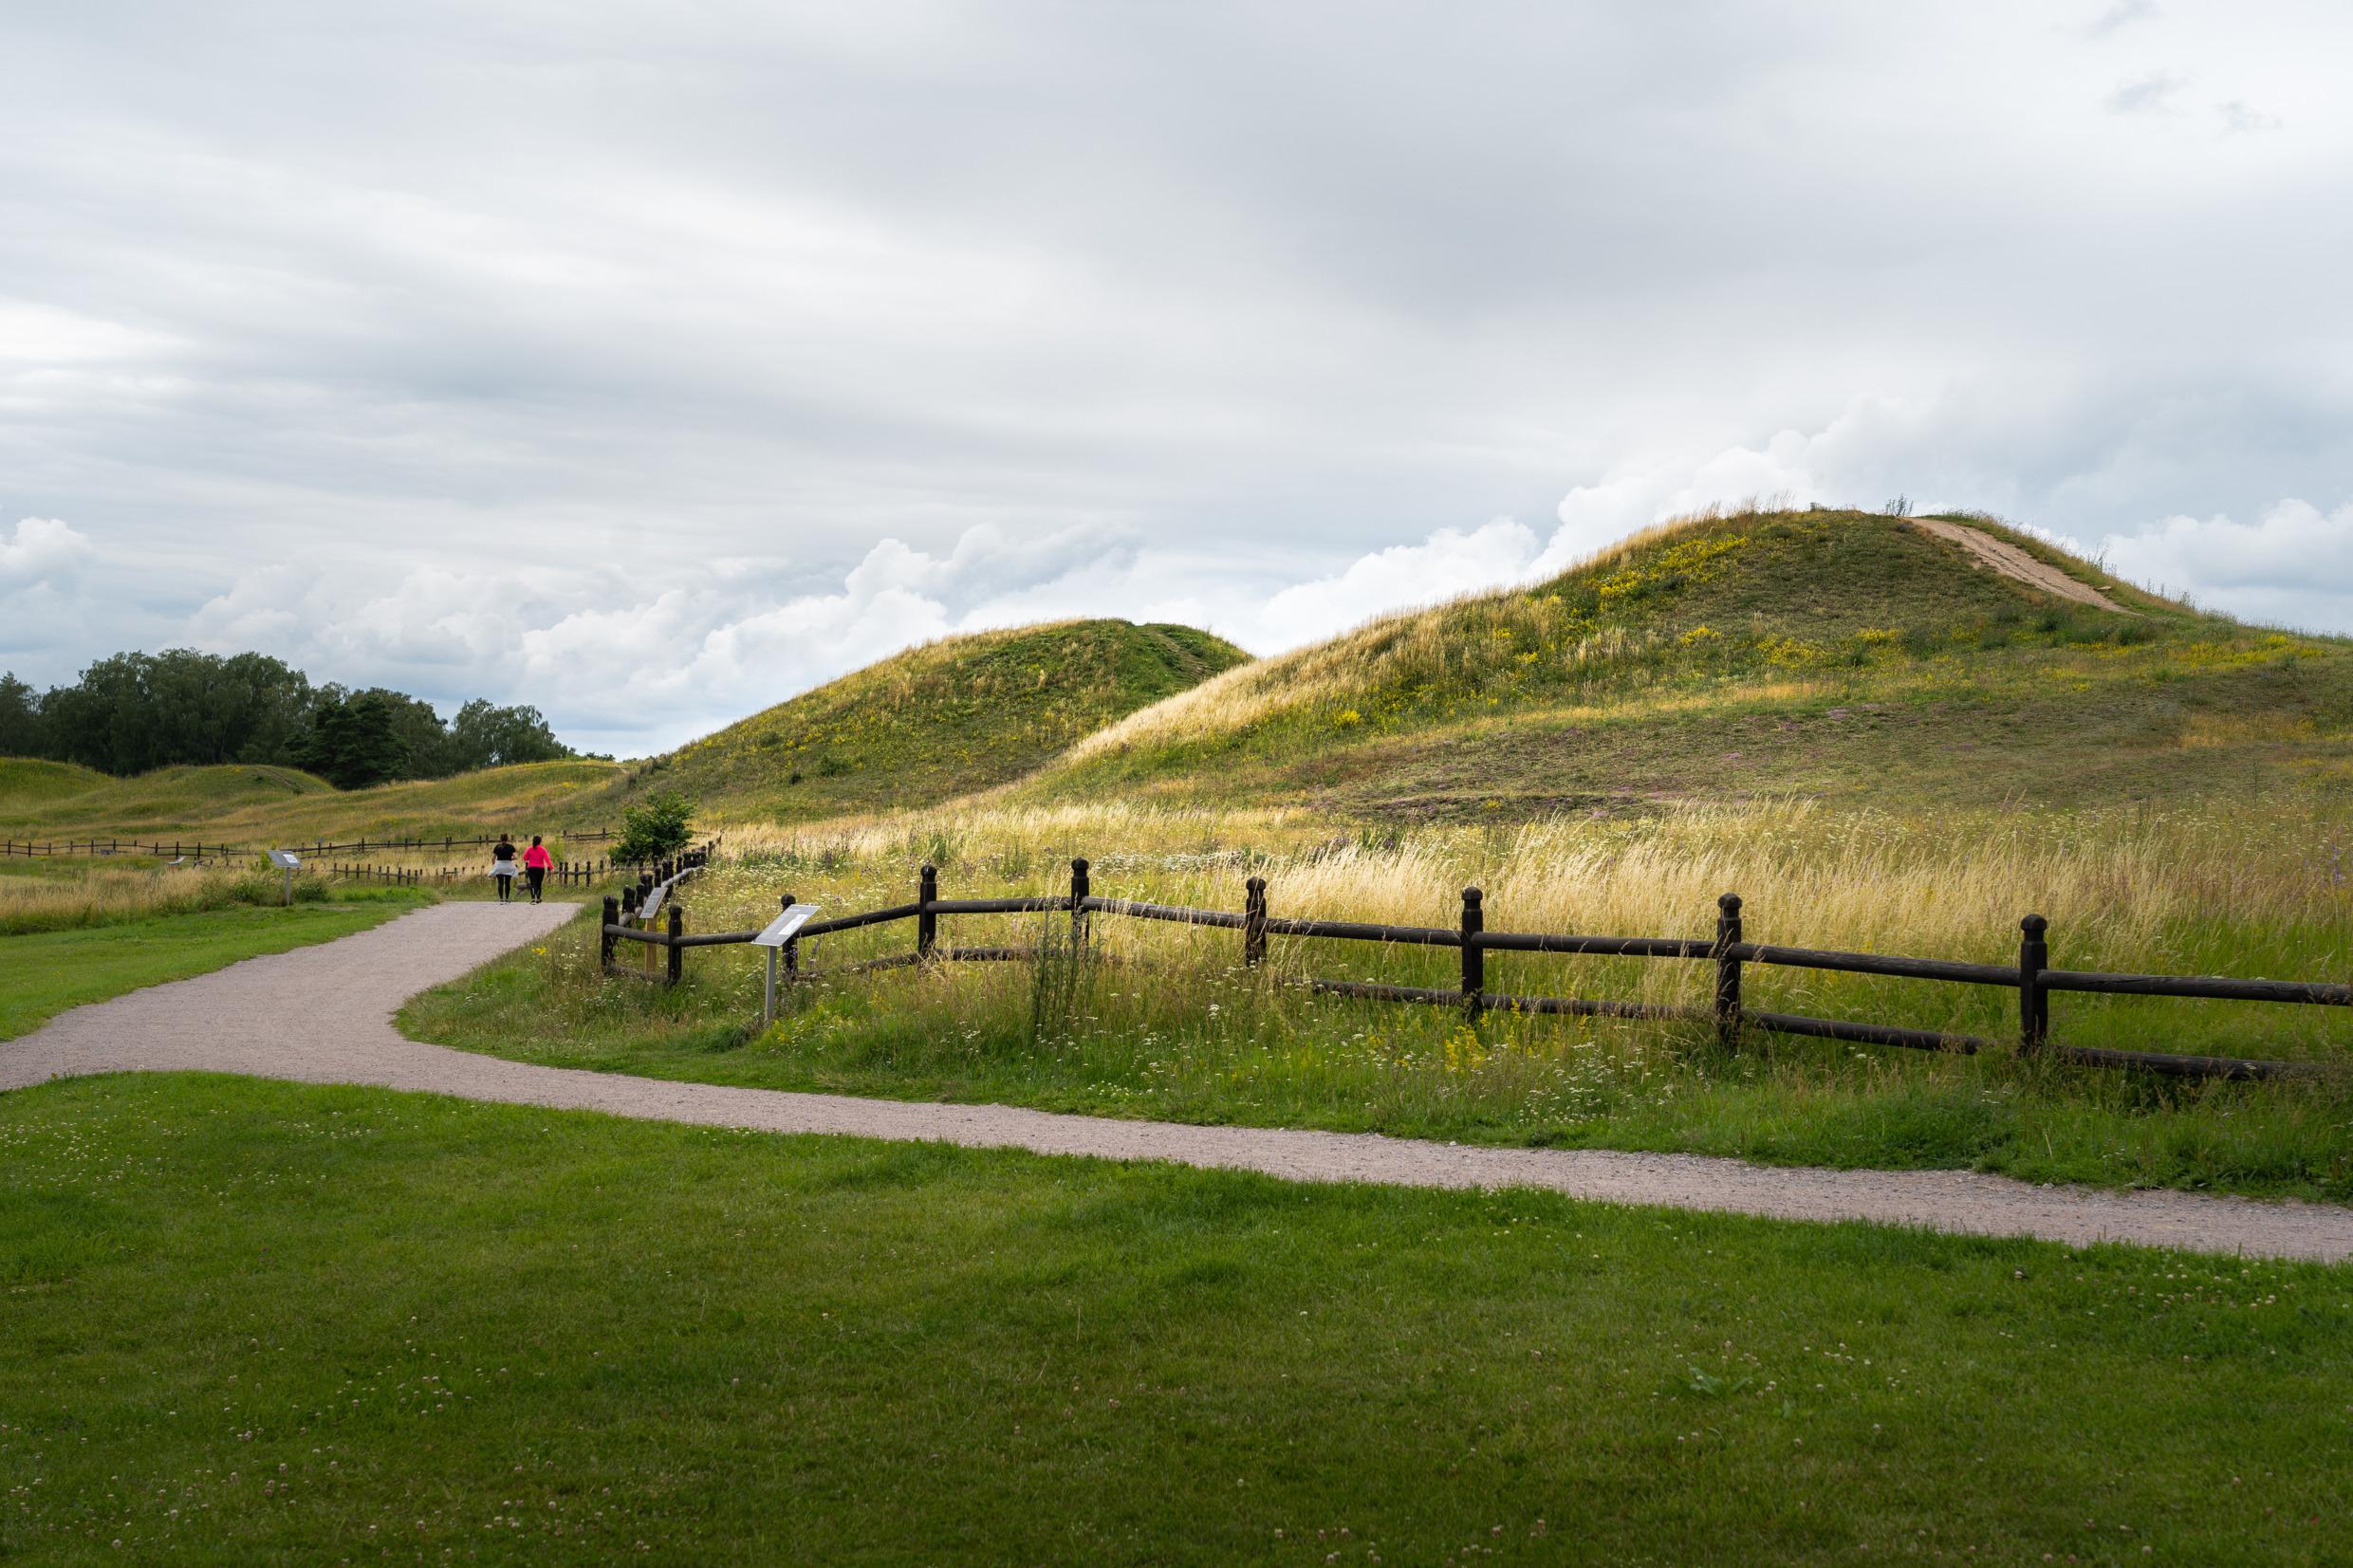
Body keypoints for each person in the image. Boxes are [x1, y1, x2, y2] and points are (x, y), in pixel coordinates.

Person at [523, 834, 552, 904]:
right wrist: (551, 868)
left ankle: (533, 899)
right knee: (539, 884)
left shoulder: (529, 849)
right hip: (540, 869)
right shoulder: (543, 849)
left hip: (531, 868)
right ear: (540, 841)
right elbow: (547, 859)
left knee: (533, 883)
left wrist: (530, 857)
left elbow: (524, 858)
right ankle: (538, 898)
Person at [491, 833, 518, 901]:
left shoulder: (497, 847)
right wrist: (510, 859)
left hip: (499, 866)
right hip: (508, 866)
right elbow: (516, 857)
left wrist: (494, 865)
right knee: (507, 882)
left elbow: (493, 858)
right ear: (507, 839)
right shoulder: (511, 847)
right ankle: (507, 898)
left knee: (500, 883)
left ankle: (501, 898)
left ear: (500, 839)